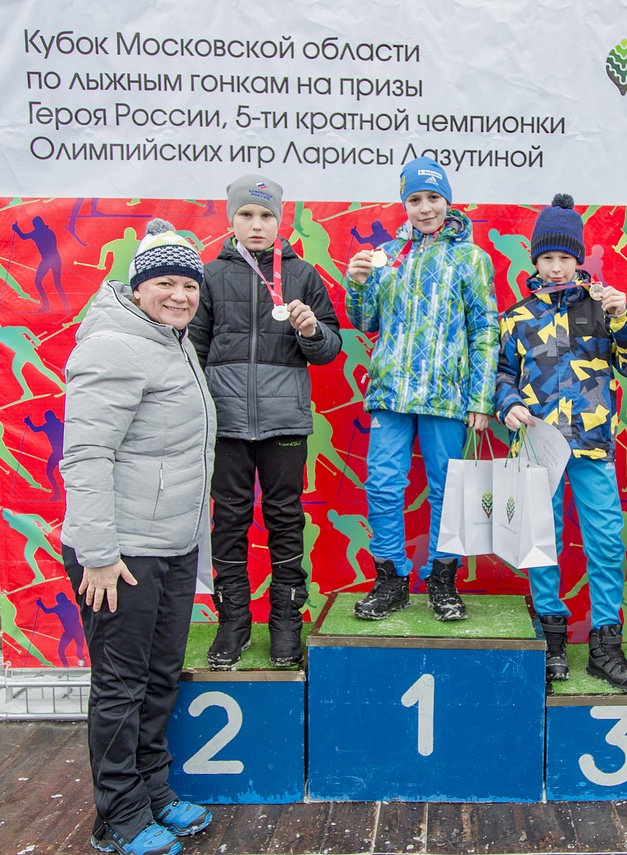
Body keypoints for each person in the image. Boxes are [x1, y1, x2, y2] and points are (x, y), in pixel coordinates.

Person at [60, 219, 216, 855]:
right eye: (166, 283)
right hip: (120, 555)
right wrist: (98, 556)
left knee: (159, 677)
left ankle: (153, 790)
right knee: (122, 686)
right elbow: (87, 456)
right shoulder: (114, 344)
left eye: (188, 284)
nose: (180, 295)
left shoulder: (168, 339)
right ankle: (117, 819)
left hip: (171, 546)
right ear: (139, 286)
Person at [496, 194, 627, 691]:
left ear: (578, 259)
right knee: (543, 544)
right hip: (538, 447)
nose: (557, 267)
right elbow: (501, 372)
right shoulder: (518, 315)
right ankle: (551, 641)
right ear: (534, 261)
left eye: (566, 257)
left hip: (591, 447)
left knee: (606, 543)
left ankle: (605, 646)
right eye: (548, 257)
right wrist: (507, 404)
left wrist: (625, 317)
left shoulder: (603, 305)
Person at [189, 175, 342, 669]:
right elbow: (193, 349)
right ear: (231, 219)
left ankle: (285, 622)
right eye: (247, 215)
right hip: (226, 422)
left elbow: (328, 349)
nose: (257, 225)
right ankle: (232, 622)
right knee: (228, 521)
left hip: (284, 423)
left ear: (282, 220)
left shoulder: (303, 275)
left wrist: (312, 330)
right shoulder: (210, 275)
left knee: (284, 520)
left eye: (266, 216)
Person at [345, 157, 498, 621]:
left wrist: (481, 397)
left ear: (448, 201)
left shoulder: (472, 257)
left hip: (447, 397)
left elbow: (486, 328)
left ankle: (441, 580)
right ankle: (390, 580)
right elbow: (366, 321)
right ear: (404, 204)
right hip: (391, 392)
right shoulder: (387, 255)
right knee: (383, 485)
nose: (425, 207)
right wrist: (357, 284)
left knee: (447, 491)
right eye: (415, 199)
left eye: (433, 198)